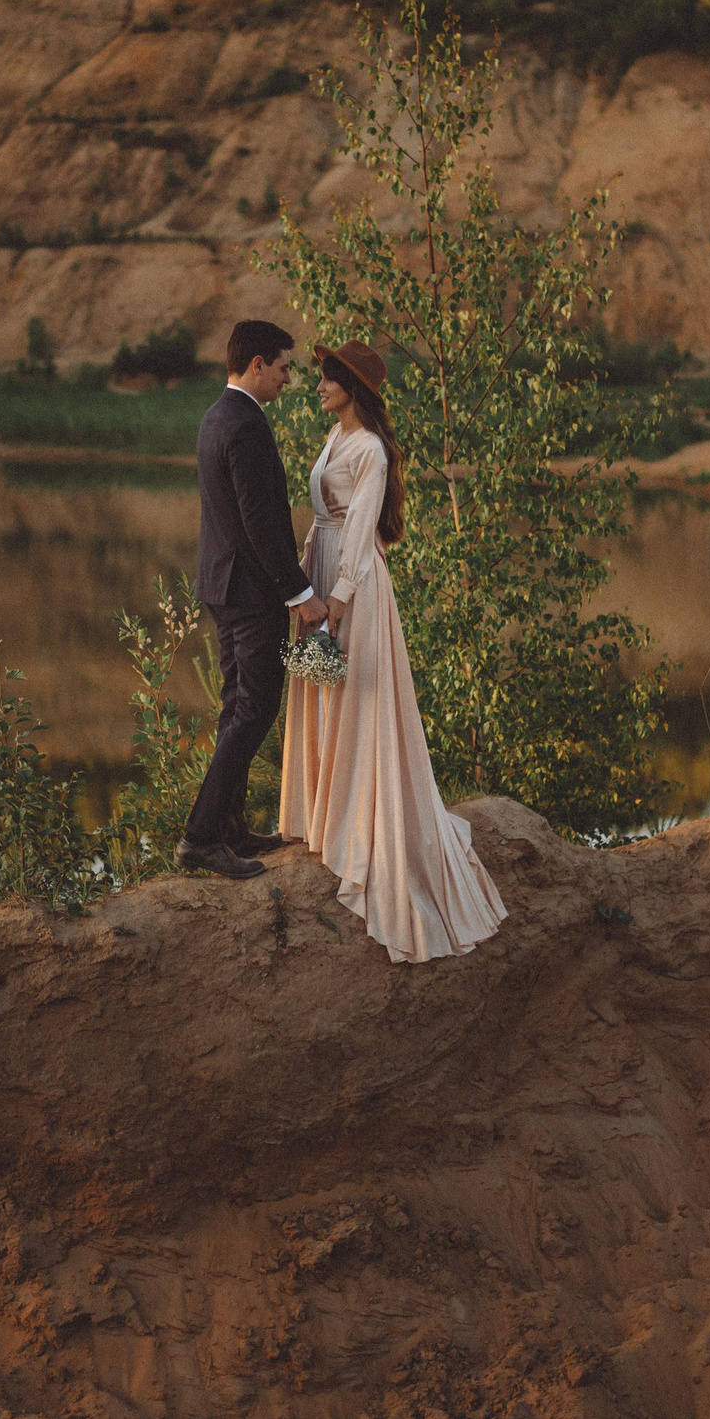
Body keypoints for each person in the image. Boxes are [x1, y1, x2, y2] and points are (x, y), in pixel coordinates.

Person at [280, 341, 507, 963]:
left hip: (354, 585)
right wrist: (301, 580)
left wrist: (339, 603)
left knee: (356, 693)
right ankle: (327, 815)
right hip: (322, 571)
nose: (319, 385)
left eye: (330, 379)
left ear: (355, 388)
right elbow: (325, 519)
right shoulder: (333, 436)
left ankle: (359, 826)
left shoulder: (372, 450)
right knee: (325, 689)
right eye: (322, 377)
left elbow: (359, 529)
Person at [179, 320, 328, 879]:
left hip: (221, 584)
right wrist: (301, 594)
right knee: (256, 708)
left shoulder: (216, 416)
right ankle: (199, 837)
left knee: (235, 705)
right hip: (249, 591)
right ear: (258, 364)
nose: (290, 378)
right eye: (285, 367)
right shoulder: (244, 425)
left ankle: (229, 828)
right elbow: (260, 522)